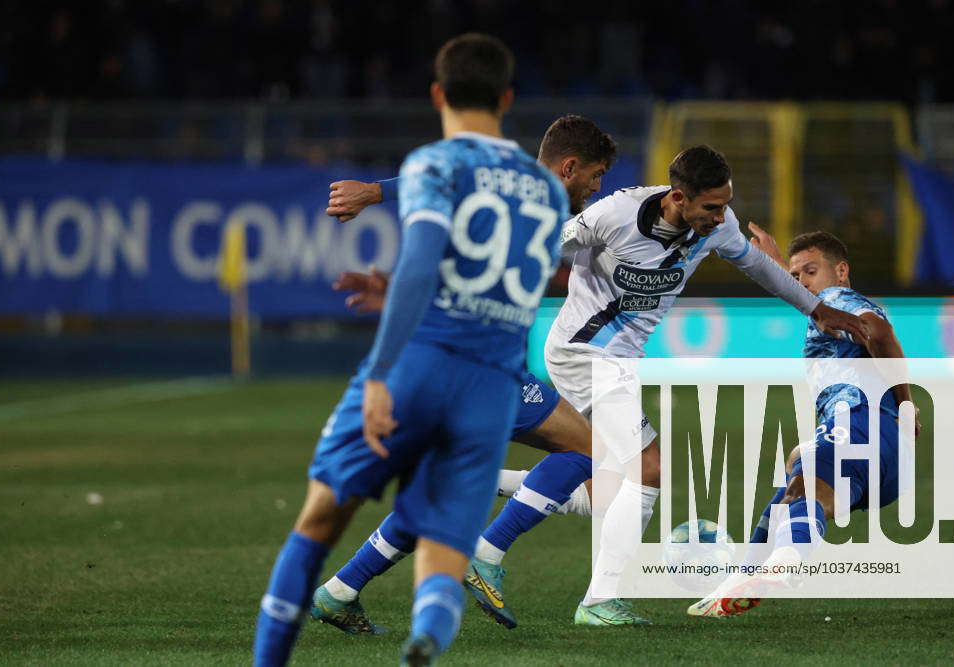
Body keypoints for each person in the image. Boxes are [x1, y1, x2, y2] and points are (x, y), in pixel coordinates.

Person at [323, 146, 870, 629]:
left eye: (725, 205)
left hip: (609, 360)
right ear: (678, 197)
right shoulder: (611, 216)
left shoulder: (717, 226)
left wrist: (817, 308)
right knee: (647, 467)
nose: (721, 217)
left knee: (600, 478)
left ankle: (470, 506)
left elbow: (760, 268)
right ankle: (586, 592)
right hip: (585, 354)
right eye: (711, 207)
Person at [252, 33, 570, 666]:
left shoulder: (434, 163)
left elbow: (424, 261)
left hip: (421, 364)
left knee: (318, 522)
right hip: (492, 385)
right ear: (507, 98)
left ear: (436, 94)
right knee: (445, 551)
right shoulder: (548, 190)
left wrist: (380, 373)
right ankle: (426, 632)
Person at [311, 115, 615, 634]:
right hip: (474, 365)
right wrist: (373, 193)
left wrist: (373, 195)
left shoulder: (520, 200)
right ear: (569, 167)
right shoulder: (532, 196)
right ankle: (488, 553)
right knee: (591, 449)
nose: (597, 187)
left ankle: (339, 592)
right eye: (595, 175)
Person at [688, 228, 917, 617]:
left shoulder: (837, 297)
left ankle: (786, 560)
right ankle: (742, 577)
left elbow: (876, 331)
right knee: (799, 474)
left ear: (841, 271)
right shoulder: (826, 304)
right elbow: (811, 301)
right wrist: (776, 266)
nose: (802, 283)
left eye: (810, 271)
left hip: (857, 420)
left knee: (802, 482)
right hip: (891, 460)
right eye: (796, 277)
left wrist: (907, 403)